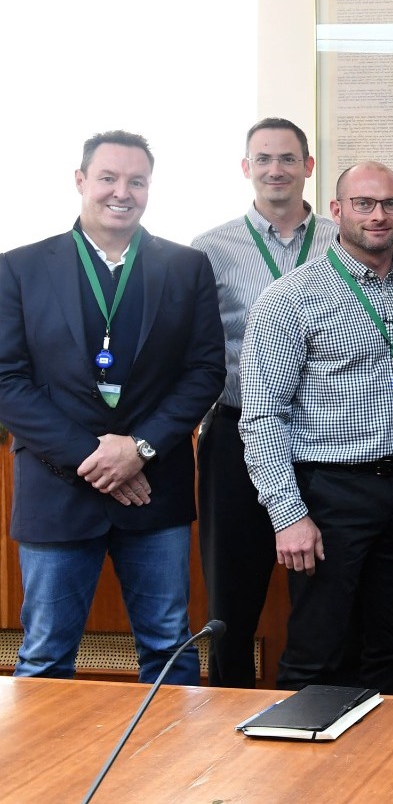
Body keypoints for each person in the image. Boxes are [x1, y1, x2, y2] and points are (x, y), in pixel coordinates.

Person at [0, 130, 225, 683]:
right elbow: (7, 381)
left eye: (136, 181)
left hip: (155, 494)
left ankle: (171, 774)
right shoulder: (19, 269)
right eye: (108, 178)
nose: (122, 192)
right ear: (81, 181)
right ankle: (44, 774)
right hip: (58, 493)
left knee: (168, 646)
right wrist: (96, 458)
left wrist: (140, 449)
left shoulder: (186, 267)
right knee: (46, 653)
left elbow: (205, 374)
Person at [240, 160, 393, 693]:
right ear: (336, 211)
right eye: (363, 204)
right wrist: (288, 516)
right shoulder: (289, 299)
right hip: (329, 495)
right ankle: (305, 774)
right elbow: (260, 417)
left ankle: (387, 771)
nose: (378, 215)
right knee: (319, 650)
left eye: (389, 204)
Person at [191, 118, 338, 688]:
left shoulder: (341, 238)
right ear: (246, 168)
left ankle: (314, 702)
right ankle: (227, 704)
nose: (275, 169)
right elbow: (196, 352)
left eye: (287, 158)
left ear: (308, 166)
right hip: (237, 434)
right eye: (263, 159)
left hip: (324, 439)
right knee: (233, 588)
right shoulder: (209, 250)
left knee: (323, 581)